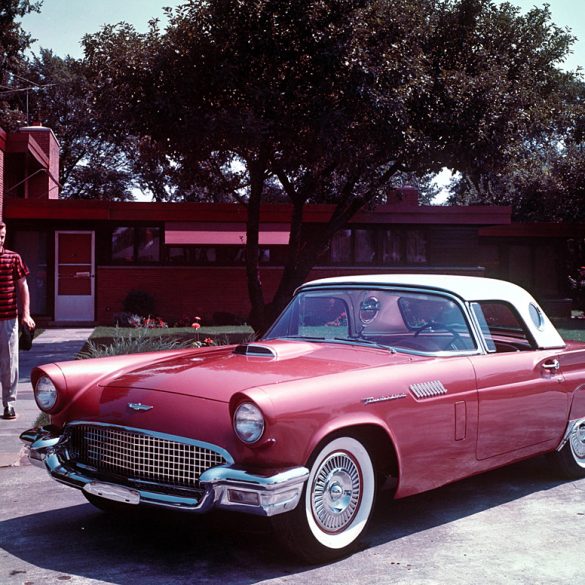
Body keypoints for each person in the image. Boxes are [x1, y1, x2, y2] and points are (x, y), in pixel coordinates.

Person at [0, 222, 35, 420]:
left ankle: (9, 404)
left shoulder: (14, 258)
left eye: (3, 236)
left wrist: (26, 314)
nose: (0, 240)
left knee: (9, 362)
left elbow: (23, 286)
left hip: (8, 319)